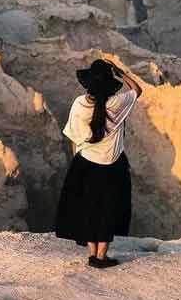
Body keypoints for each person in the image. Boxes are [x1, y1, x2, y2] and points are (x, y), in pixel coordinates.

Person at [55, 57, 142, 269]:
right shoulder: (117, 103)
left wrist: (77, 162)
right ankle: (101, 257)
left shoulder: (79, 103)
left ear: (89, 84)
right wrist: (120, 72)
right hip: (113, 166)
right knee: (108, 209)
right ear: (110, 85)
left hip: (85, 164)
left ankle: (92, 252)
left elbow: (73, 138)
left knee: (89, 208)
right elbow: (137, 90)